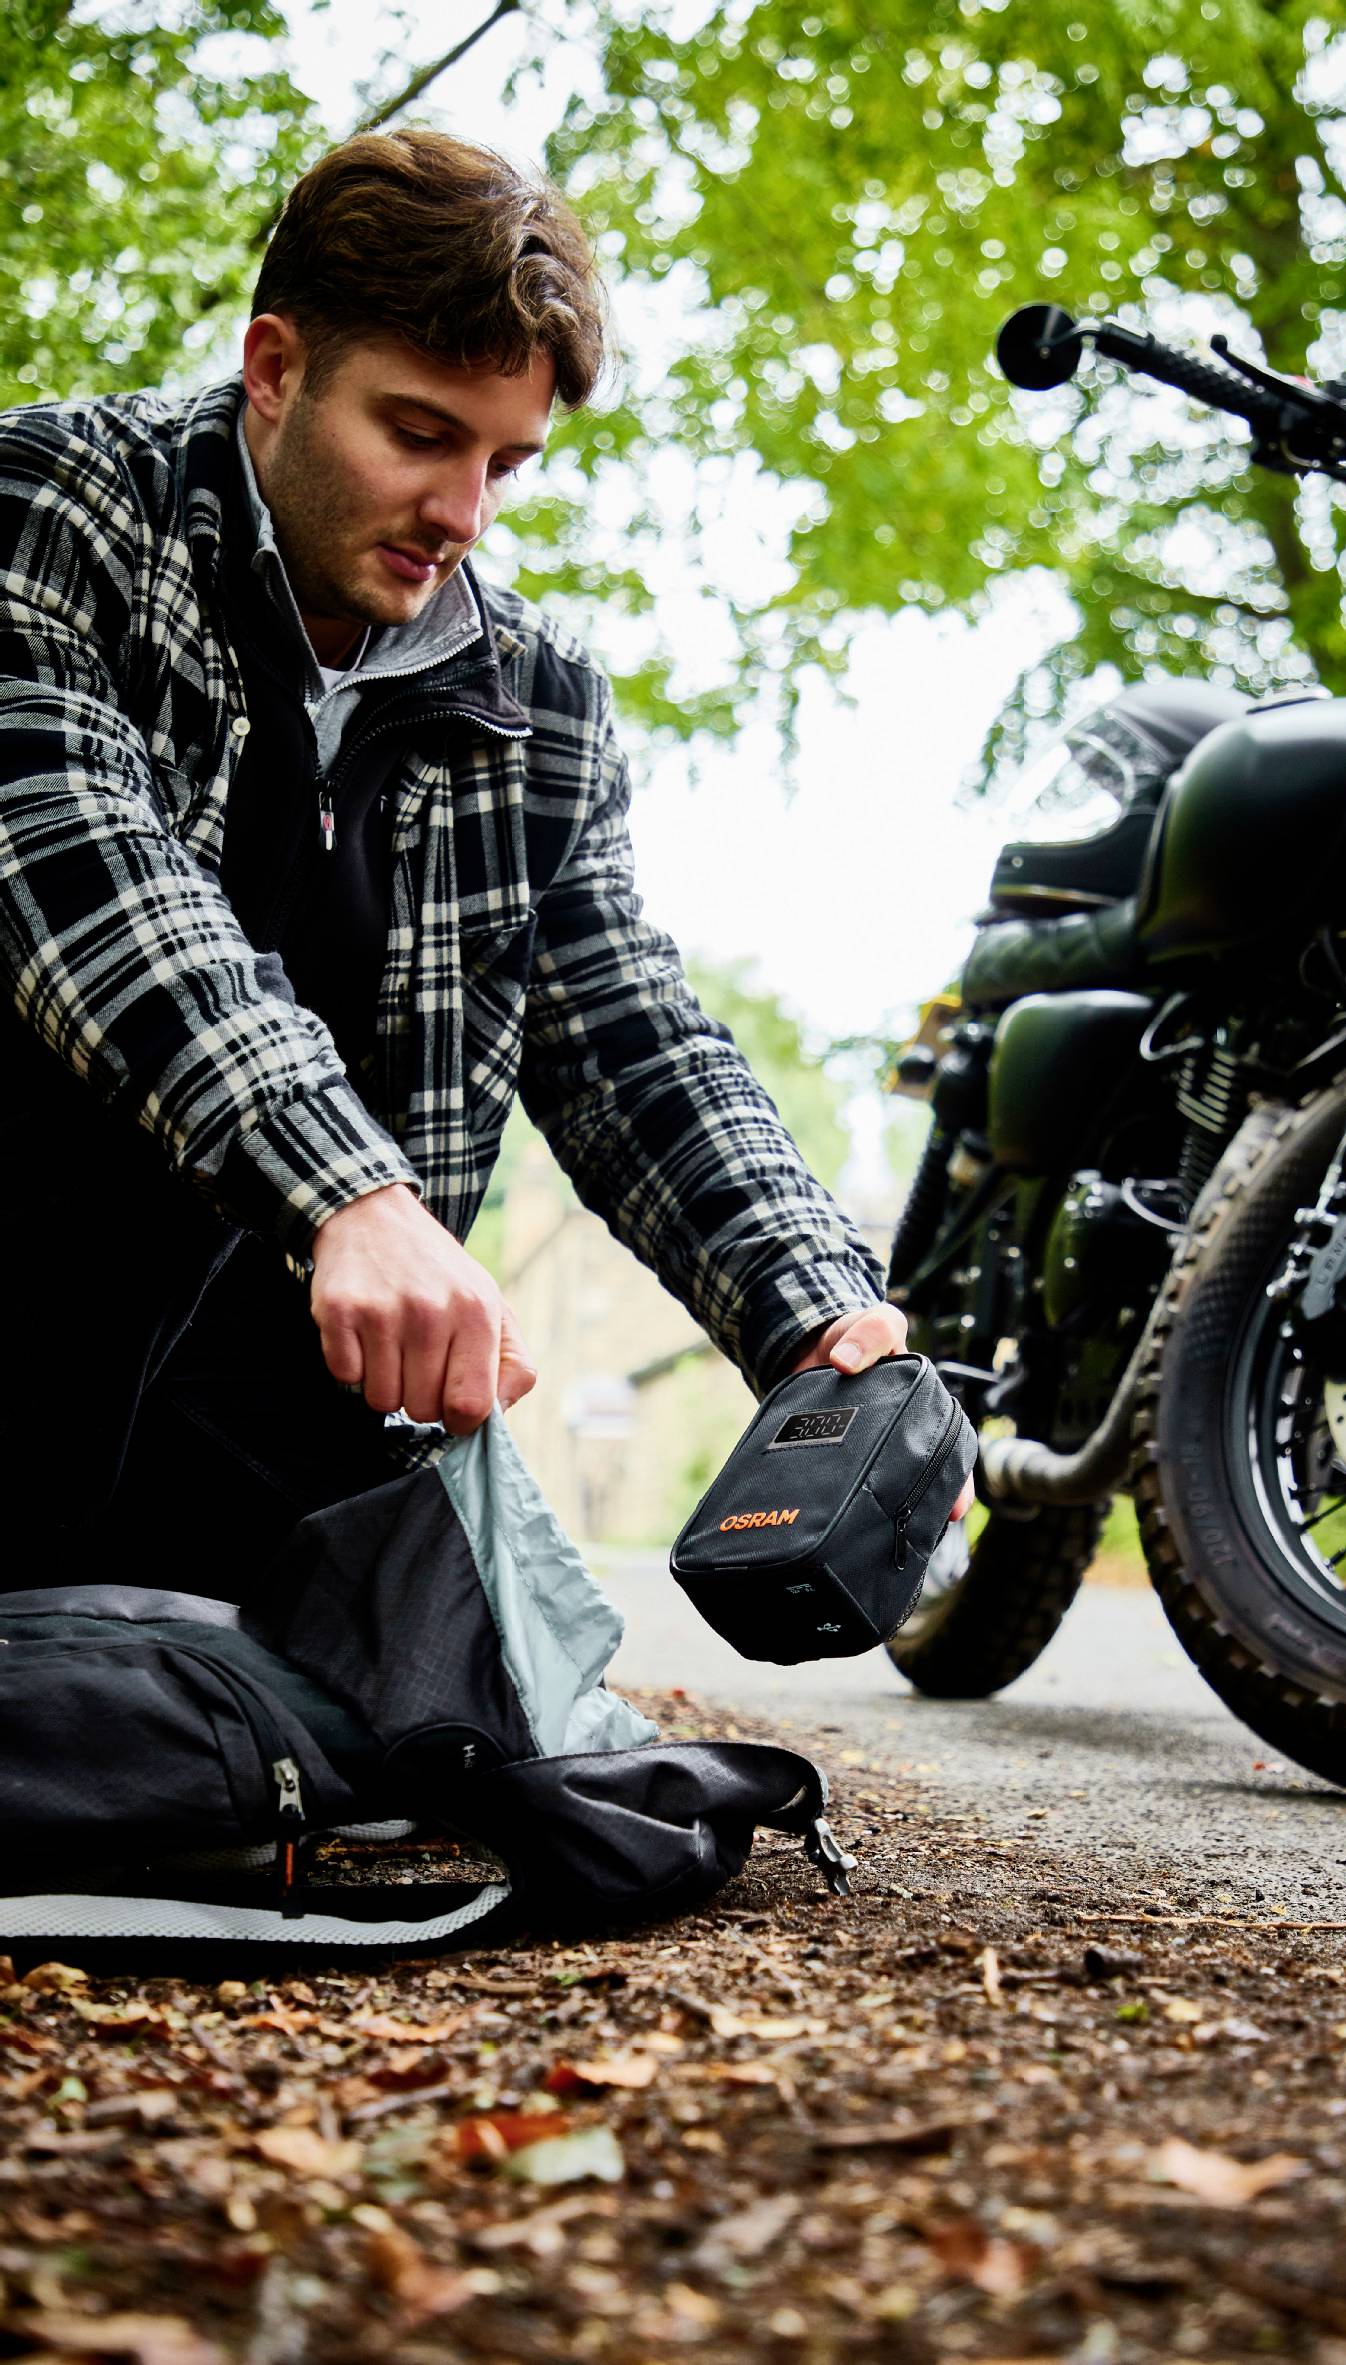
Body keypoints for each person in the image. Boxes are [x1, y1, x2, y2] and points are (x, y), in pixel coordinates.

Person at [0, 127, 969, 1602]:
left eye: (505, 463)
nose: (462, 517)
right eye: (418, 433)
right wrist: (348, 1195)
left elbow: (632, 1040)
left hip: (272, 1426)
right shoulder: (54, 515)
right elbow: (87, 877)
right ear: (275, 367)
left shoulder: (540, 705)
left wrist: (818, 1311)